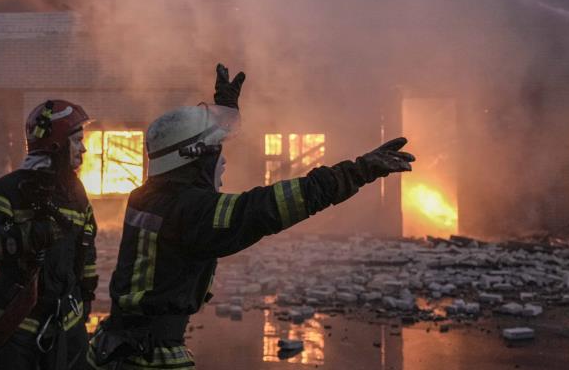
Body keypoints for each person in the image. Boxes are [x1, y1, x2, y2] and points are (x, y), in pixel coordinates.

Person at [87, 64, 415, 369]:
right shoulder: (187, 209)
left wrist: (224, 110)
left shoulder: (149, 196)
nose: (224, 163)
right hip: (148, 359)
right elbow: (265, 208)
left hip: (117, 347)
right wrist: (355, 173)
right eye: (216, 153)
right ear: (193, 159)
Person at [0, 99, 98, 370]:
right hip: (18, 324)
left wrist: (85, 298)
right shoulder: (9, 190)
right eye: (77, 141)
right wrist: (26, 236)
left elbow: (86, 245)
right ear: (57, 145)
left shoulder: (75, 193)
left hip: (67, 324)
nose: (84, 149)